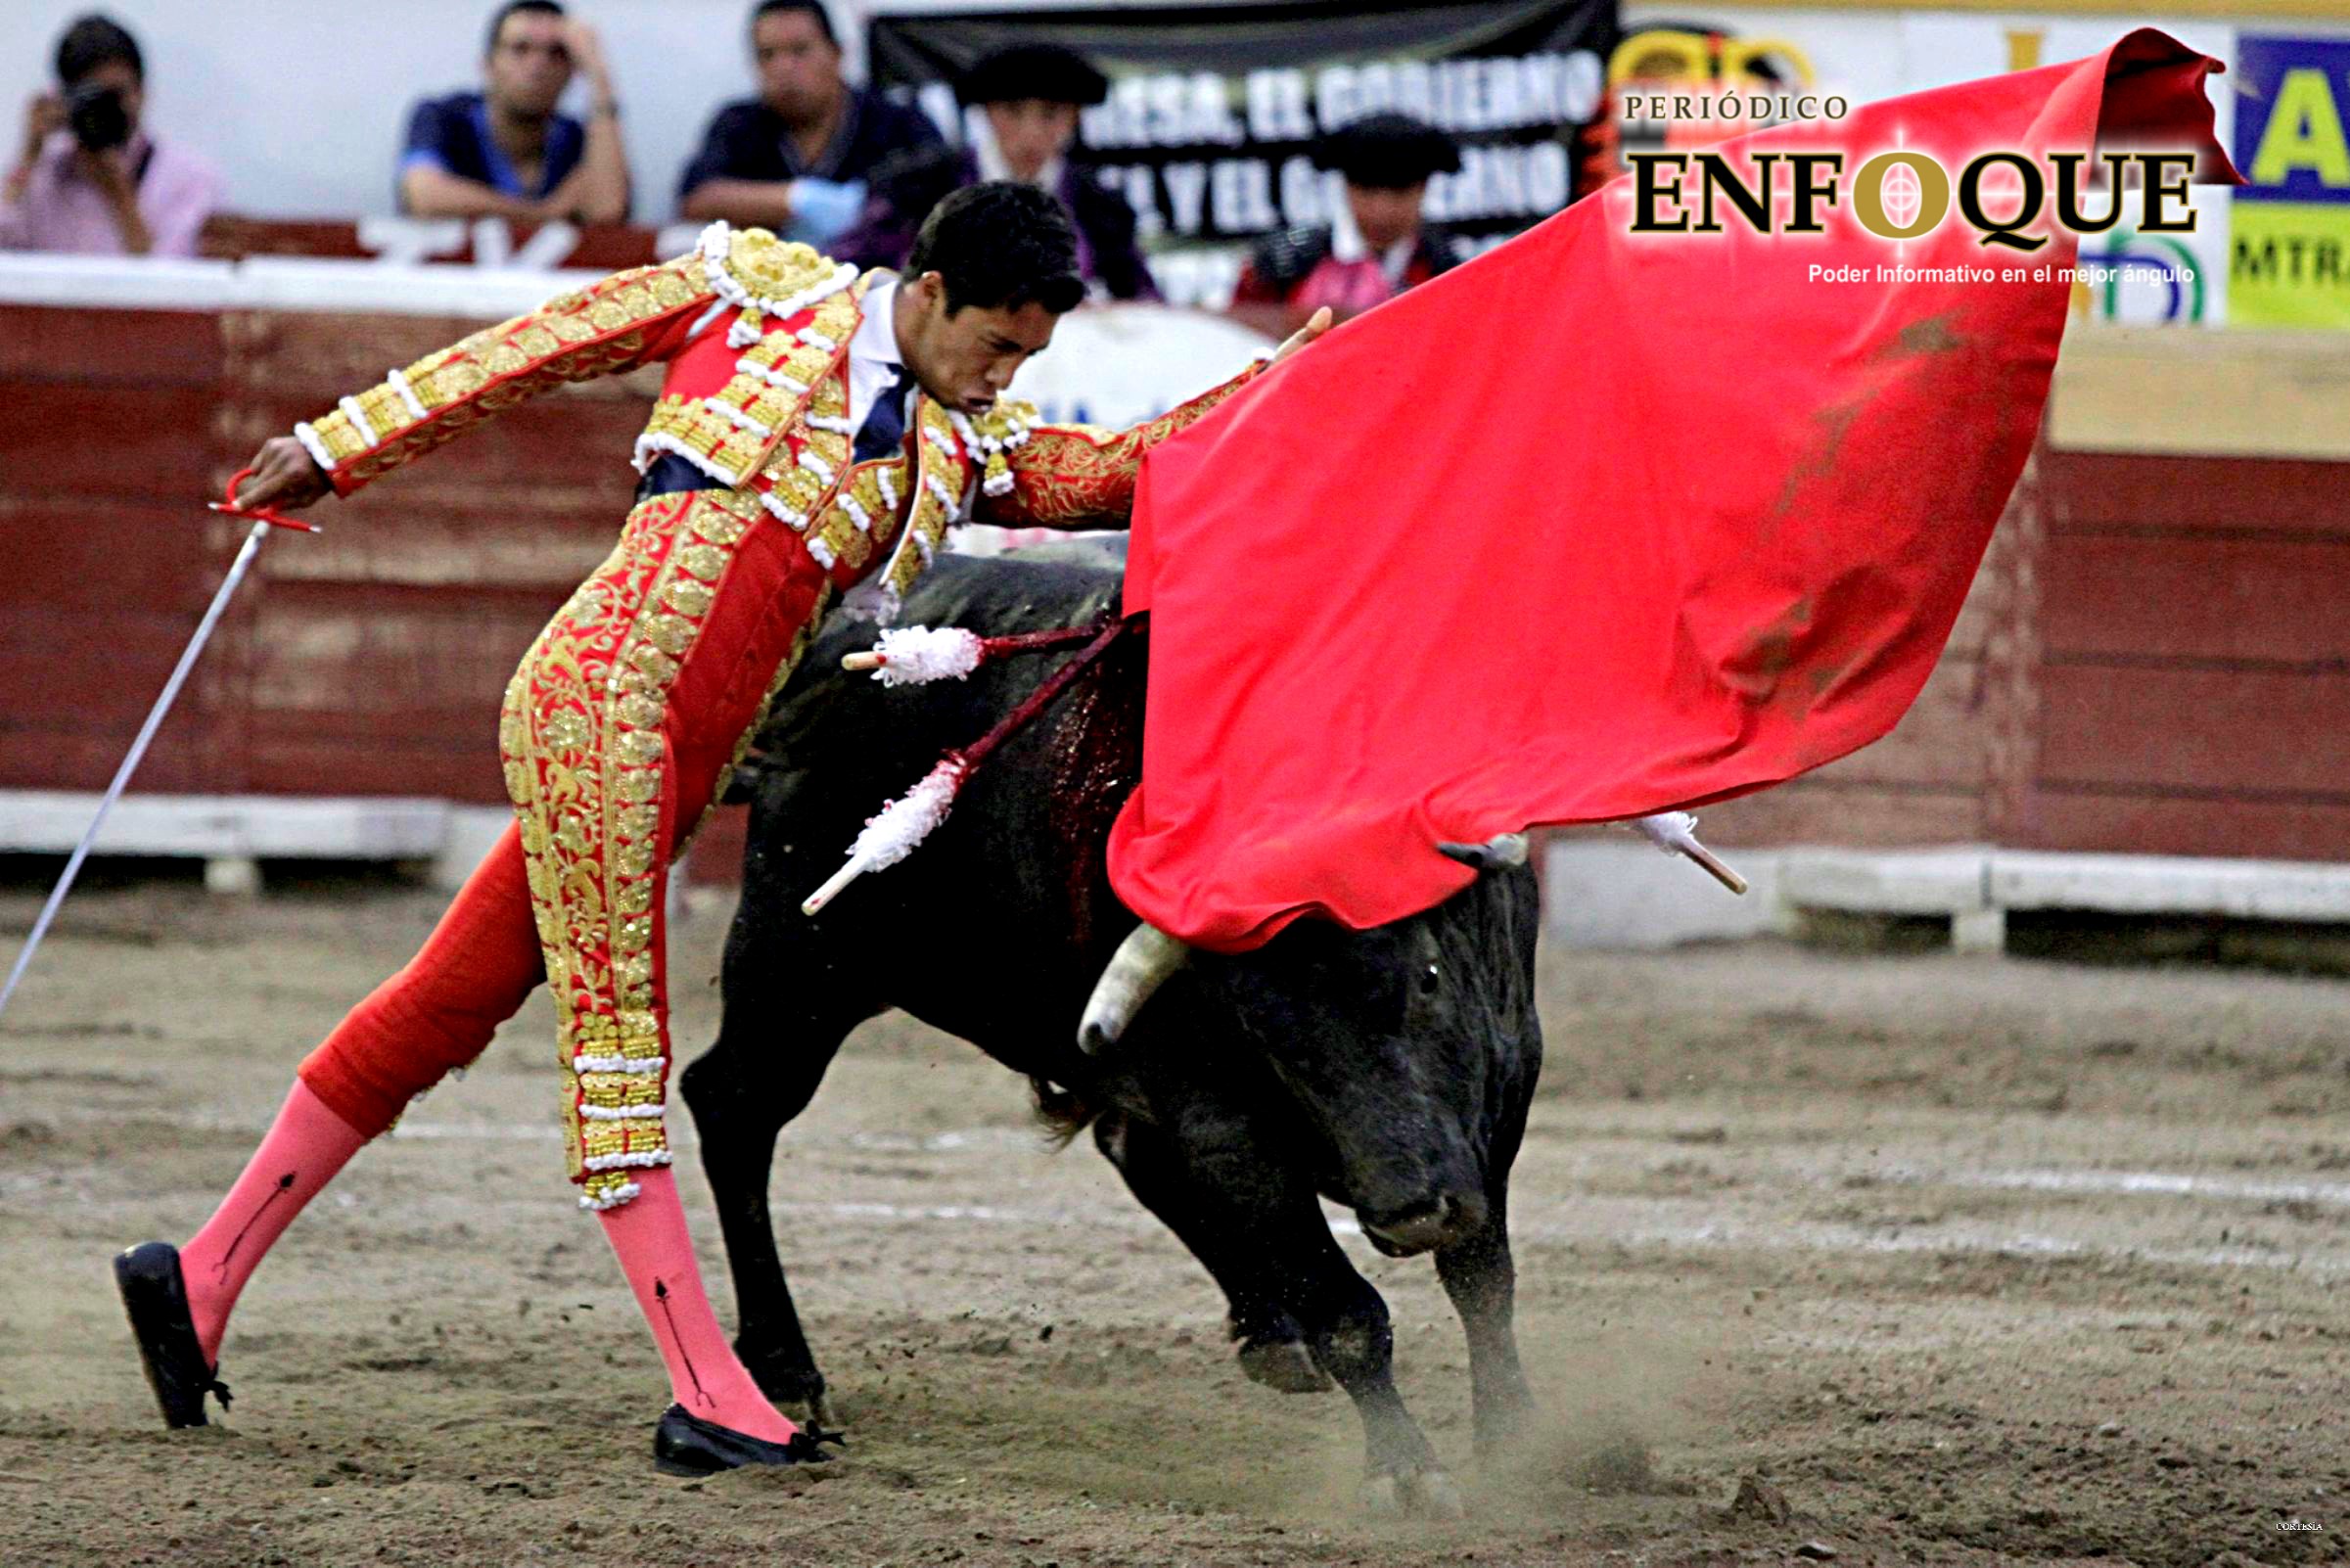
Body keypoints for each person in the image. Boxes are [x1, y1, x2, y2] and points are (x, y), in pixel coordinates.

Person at [112, 182, 1328, 1476]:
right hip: (601, 703)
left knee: (444, 1003)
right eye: (993, 344)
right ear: (925, 291)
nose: (1002, 374)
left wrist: (1270, 391)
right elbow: (543, 346)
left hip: (679, 758)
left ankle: (195, 1276)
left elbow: (1104, 472)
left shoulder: (952, 443)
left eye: (1026, 357)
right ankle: (709, 1386)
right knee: (621, 1057)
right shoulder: (760, 293)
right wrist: (344, 443)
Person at [836, 41, 1157, 301]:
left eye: (1050, 114)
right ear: (988, 113)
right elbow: (855, 274)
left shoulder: (1099, 205)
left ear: (1074, 117)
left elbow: (1138, 299)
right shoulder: (921, 188)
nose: (1031, 132)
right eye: (1013, 112)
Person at [678, 0, 940, 251]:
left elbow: (940, 204)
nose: (783, 68)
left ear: (837, 54)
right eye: (767, 55)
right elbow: (697, 198)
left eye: (799, 50)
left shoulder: (896, 121)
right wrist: (796, 199)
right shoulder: (739, 123)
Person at [0, 14, 220, 257]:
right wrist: (28, 154)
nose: (104, 110)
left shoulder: (188, 180)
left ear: (142, 91)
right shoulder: (43, 175)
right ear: (65, 98)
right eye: (93, 97)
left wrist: (119, 195)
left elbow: (176, 285)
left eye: (115, 96)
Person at [397, 0, 630, 224]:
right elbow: (423, 197)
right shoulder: (444, 118)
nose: (538, 66)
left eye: (556, 53)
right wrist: (543, 214)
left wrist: (599, 77)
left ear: (572, 70)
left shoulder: (576, 137)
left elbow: (607, 211)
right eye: (520, 49)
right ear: (488, 64)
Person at [1232, 112, 1462, 335]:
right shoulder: (1283, 265)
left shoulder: (1447, 271)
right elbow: (1244, 348)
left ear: (1423, 189)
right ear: (1346, 187)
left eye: (1399, 192)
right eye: (1367, 191)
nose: (1382, 210)